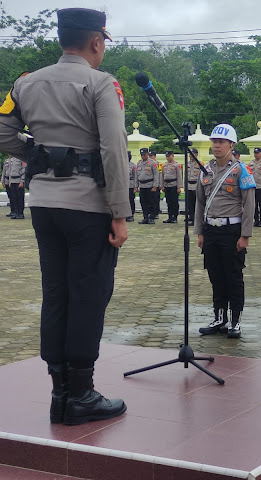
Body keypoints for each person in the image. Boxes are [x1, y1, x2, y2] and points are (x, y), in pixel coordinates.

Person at [0, 8, 129, 425]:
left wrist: (37, 156)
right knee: (88, 295)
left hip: (44, 205)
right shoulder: (101, 83)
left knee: (56, 294)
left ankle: (59, 393)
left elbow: (2, 130)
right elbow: (112, 150)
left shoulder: (25, 82)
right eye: (104, 42)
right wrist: (119, 213)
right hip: (88, 207)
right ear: (96, 42)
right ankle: (82, 394)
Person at [196, 124, 256, 339]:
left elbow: (249, 204)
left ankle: (235, 320)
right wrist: (200, 232)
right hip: (211, 229)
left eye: (221, 142)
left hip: (232, 230)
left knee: (233, 276)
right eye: (214, 142)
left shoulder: (241, 170)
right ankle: (219, 317)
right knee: (215, 275)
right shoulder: (206, 169)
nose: (216, 146)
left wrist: (245, 235)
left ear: (232, 145)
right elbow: (199, 203)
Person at [135, 147, 159, 224]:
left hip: (150, 185)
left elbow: (156, 175)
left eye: (144, 155)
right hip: (142, 185)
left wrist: (155, 186)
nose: (143, 156)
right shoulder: (139, 163)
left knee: (151, 202)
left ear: (147, 154)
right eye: (141, 155)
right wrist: (136, 186)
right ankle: (145, 217)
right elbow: (136, 175)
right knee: (143, 202)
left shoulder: (152, 163)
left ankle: (151, 217)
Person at [160, 150, 182, 224]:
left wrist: (179, 187)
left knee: (174, 202)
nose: (167, 158)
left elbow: (179, 176)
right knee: (168, 202)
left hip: (174, 185)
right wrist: (162, 185)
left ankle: (174, 217)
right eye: (166, 156)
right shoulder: (164, 165)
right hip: (167, 185)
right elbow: (162, 176)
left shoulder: (176, 165)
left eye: (169, 156)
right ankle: (170, 217)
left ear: (172, 156)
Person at [185, 147, 200, 226]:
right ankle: (191, 217)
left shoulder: (200, 164)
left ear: (196, 155)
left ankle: (196, 219)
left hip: (196, 185)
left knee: (196, 204)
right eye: (190, 154)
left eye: (192, 154)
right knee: (189, 203)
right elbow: (185, 175)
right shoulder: (187, 164)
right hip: (189, 185)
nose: (190, 156)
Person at [149, 150, 161, 219]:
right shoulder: (148, 164)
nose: (150, 157)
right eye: (149, 156)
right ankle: (151, 213)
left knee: (156, 199)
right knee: (150, 199)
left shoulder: (158, 164)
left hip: (157, 184)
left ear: (155, 156)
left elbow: (160, 175)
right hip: (150, 184)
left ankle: (156, 213)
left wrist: (159, 185)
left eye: (152, 156)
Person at [126, 151, 136, 222]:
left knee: (131, 200)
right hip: (123, 186)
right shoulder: (121, 164)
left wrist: (136, 187)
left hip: (130, 185)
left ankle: (131, 214)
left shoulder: (133, 166)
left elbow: (135, 177)